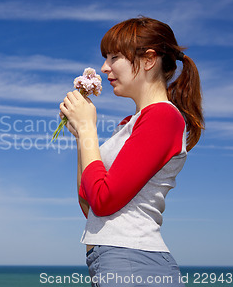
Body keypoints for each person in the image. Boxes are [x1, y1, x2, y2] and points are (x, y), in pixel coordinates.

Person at [59, 17, 204, 287]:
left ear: (149, 60)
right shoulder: (129, 124)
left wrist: (89, 128)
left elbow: (104, 201)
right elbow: (88, 202)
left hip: (133, 262)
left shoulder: (163, 116)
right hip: (115, 260)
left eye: (114, 57)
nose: (104, 68)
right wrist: (82, 136)